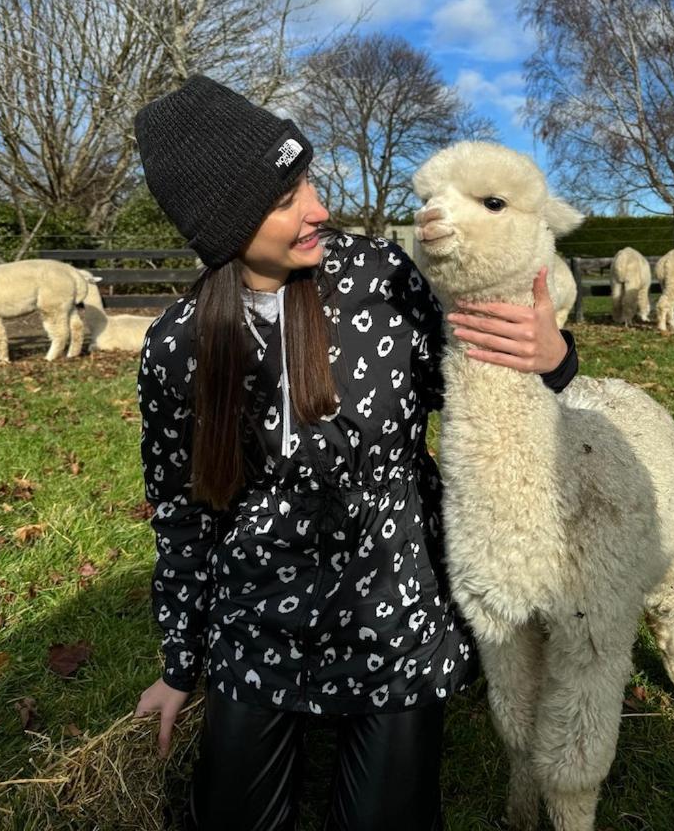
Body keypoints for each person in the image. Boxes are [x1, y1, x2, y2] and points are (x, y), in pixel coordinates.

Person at [132, 75, 578, 831]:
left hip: (392, 608)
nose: (319, 207)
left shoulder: (378, 277)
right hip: (258, 617)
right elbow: (181, 516)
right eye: (285, 200)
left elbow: (471, 391)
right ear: (222, 224)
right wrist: (181, 664)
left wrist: (553, 357)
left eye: (304, 178)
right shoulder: (178, 348)